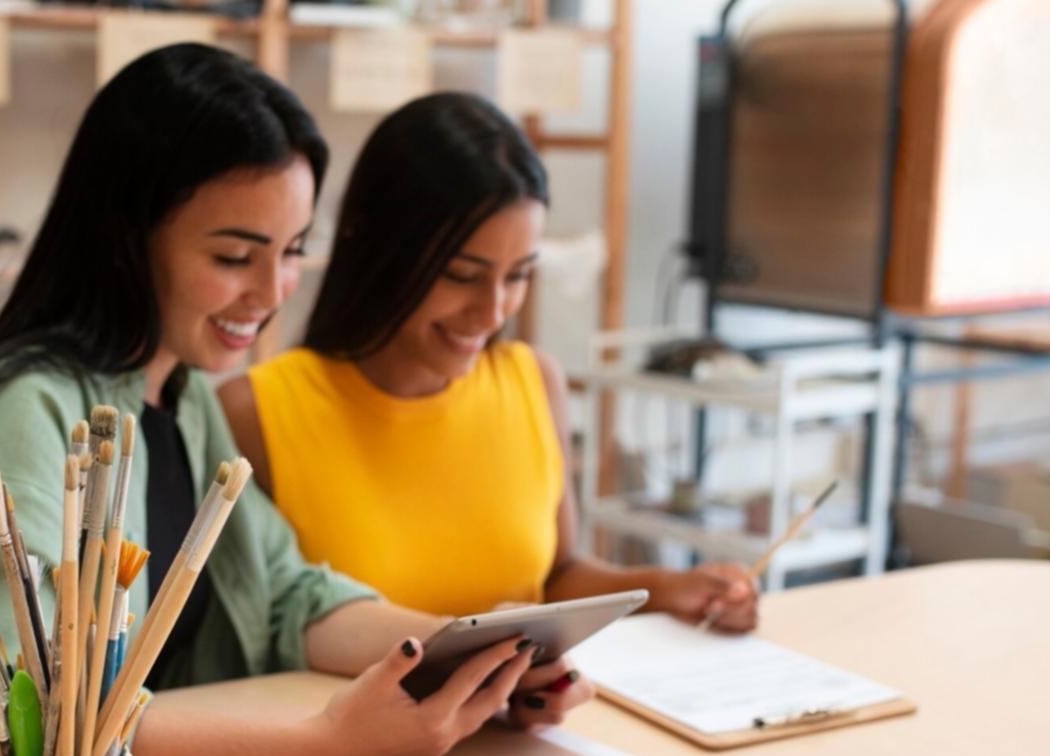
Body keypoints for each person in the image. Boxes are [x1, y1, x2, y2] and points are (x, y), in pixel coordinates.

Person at [0, 48, 592, 756]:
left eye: (293, 251)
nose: (272, 291)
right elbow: (16, 723)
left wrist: (468, 655)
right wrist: (327, 742)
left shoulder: (181, 397)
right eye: (236, 256)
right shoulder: (29, 409)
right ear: (128, 234)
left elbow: (289, 597)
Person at [220, 92, 759, 632]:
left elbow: (558, 575)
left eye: (519, 274)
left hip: (519, 714)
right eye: (463, 274)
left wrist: (671, 589)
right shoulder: (255, 414)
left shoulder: (532, 381)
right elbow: (261, 637)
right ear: (382, 251)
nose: (493, 310)